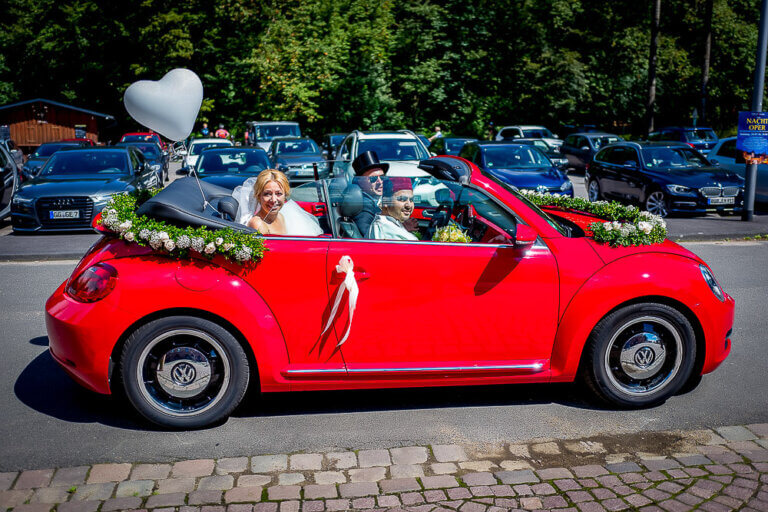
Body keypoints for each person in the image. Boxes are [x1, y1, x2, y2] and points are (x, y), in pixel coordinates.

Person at [232, 169, 323, 236]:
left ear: (285, 195)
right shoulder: (257, 224)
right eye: (267, 194)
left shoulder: (281, 216)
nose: (274, 200)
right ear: (258, 196)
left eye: (279, 193)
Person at [350, 151, 389, 236]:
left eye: (382, 177)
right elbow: (370, 237)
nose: (380, 182)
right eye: (373, 179)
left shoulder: (379, 200)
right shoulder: (363, 207)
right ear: (360, 181)